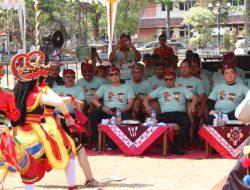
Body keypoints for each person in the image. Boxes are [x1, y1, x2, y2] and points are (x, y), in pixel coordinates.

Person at [10, 51, 97, 189]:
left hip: (19, 133)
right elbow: (60, 102)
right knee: (69, 149)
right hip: (41, 130)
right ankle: (74, 184)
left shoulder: (14, 94)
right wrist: (69, 115)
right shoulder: (40, 92)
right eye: (41, 76)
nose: (43, 78)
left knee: (19, 164)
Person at [143, 70, 197, 155]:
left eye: (170, 79)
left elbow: (194, 97)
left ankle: (177, 146)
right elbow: (146, 97)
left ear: (175, 80)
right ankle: (149, 145)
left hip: (179, 114)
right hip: (165, 114)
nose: (168, 81)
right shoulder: (160, 89)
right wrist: (147, 106)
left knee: (186, 123)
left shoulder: (181, 89)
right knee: (152, 122)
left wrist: (193, 104)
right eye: (166, 79)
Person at [91, 66, 135, 150]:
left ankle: (117, 144)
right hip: (107, 111)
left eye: (116, 74)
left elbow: (130, 104)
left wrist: (120, 111)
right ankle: (96, 143)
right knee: (95, 114)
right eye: (111, 75)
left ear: (120, 75)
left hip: (122, 111)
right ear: (108, 77)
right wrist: (102, 107)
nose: (114, 76)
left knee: (126, 117)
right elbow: (94, 99)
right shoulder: (104, 87)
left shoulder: (127, 87)